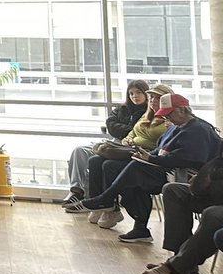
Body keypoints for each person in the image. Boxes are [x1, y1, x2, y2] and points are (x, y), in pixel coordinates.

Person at [78, 92, 221, 243]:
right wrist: (145, 155)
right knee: (115, 168)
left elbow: (186, 159)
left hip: (185, 175)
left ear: (182, 110)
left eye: (169, 113)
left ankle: (107, 199)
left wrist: (151, 158)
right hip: (166, 168)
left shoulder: (198, 129)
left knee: (135, 171)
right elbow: (161, 149)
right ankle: (137, 225)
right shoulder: (176, 127)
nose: (167, 118)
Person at [66, 83, 169, 227]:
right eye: (151, 97)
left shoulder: (168, 122)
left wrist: (132, 140)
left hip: (143, 155)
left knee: (109, 165)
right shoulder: (146, 115)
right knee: (94, 160)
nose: (153, 101)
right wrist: (128, 139)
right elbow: (124, 129)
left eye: (157, 98)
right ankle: (98, 203)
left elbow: (161, 145)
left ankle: (109, 205)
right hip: (128, 148)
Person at [61, 79, 149, 206]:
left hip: (128, 147)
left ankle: (100, 201)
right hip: (113, 143)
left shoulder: (148, 112)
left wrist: (124, 129)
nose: (134, 96)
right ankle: (76, 190)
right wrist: (128, 129)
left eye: (138, 92)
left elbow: (136, 131)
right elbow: (111, 125)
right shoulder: (122, 108)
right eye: (131, 93)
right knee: (79, 151)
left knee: (98, 161)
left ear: (145, 93)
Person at [143, 155, 223, 274]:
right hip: (215, 193)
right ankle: (184, 260)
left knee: (213, 215)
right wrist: (202, 177)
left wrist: (212, 178)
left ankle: (178, 267)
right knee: (173, 190)